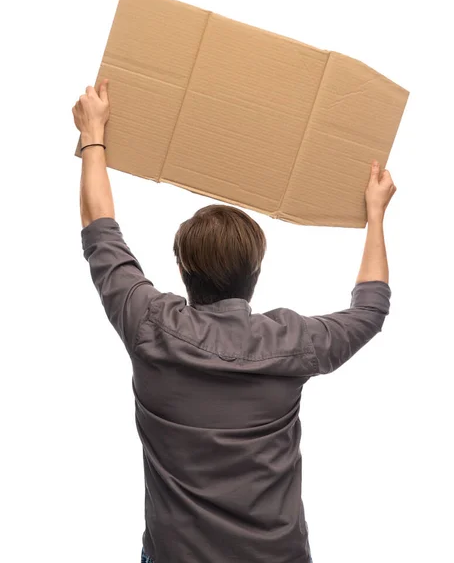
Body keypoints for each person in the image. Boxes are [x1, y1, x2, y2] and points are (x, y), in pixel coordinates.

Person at [73, 81, 396, 563]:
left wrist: (94, 133)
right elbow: (369, 310)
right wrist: (375, 217)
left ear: (183, 269)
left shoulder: (148, 324)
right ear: (256, 273)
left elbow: (100, 228)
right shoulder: (294, 342)